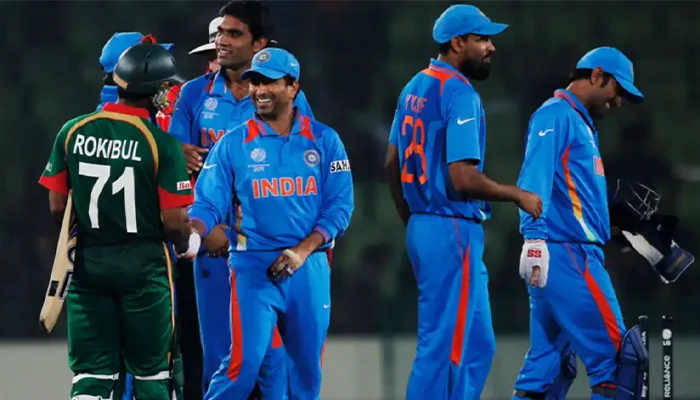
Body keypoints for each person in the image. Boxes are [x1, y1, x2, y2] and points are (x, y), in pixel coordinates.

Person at [384, 5, 542, 400]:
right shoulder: (459, 92)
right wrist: (517, 194)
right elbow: (462, 178)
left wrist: (414, 217)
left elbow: (391, 162)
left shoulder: (414, 85)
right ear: (457, 43)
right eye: (482, 39)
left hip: (429, 224)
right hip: (450, 225)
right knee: (443, 347)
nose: (490, 47)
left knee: (477, 344)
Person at [188, 47, 353, 400]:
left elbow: (340, 208)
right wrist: (193, 231)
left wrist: (302, 250)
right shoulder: (233, 144)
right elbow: (207, 201)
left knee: (305, 375)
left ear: (293, 87)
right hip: (253, 267)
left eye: (269, 82)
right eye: (254, 82)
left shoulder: (325, 141)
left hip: (308, 267)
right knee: (241, 368)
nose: (259, 90)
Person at [168, 1, 314, 396]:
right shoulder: (194, 93)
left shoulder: (284, 97)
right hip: (216, 246)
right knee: (222, 356)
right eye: (220, 34)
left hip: (268, 249)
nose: (221, 42)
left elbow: (306, 169)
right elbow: (174, 165)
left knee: (277, 362)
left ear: (259, 43)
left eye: (234, 34)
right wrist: (173, 150)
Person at [38, 43, 195, 400]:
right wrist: (185, 246)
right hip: (145, 267)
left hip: (89, 263)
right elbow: (175, 223)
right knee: (153, 374)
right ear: (157, 94)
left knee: (91, 375)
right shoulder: (162, 144)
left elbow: (57, 206)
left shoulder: (72, 131)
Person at [512, 47, 648, 400]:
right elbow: (533, 177)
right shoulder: (557, 115)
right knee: (620, 366)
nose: (619, 102)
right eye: (617, 91)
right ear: (597, 75)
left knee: (547, 369)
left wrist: (619, 225)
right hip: (568, 255)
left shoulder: (578, 122)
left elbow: (571, 197)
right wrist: (534, 237)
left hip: (562, 252)